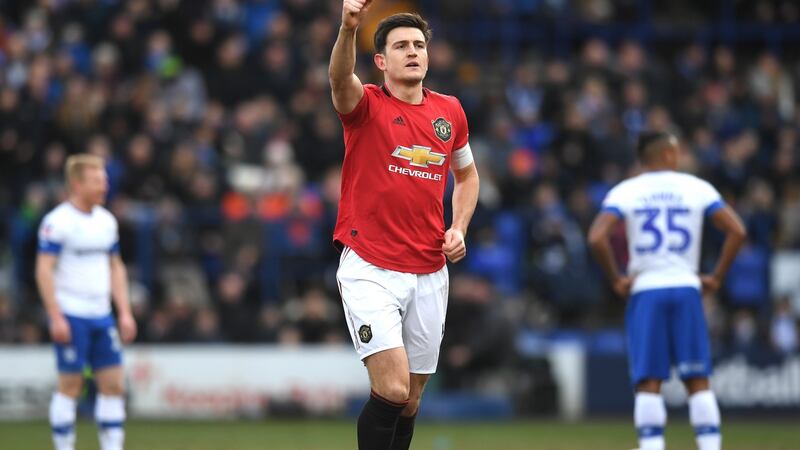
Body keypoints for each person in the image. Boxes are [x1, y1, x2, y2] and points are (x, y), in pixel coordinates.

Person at [328, 1, 480, 449]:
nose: (412, 52)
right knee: (392, 390)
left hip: (430, 270)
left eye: (418, 45)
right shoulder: (367, 105)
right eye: (401, 46)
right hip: (371, 267)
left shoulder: (449, 111)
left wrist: (460, 227)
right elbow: (339, 80)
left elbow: (467, 175)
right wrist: (347, 29)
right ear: (381, 61)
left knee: (410, 401)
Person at [588, 131, 746, 450]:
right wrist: (716, 276)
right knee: (697, 378)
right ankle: (710, 445)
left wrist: (617, 278)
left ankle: (652, 446)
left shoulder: (627, 191)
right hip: (687, 288)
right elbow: (737, 231)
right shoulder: (696, 187)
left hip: (647, 289)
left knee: (649, 380)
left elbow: (596, 238)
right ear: (670, 155)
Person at [36, 154, 137, 450]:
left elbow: (115, 266)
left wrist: (125, 312)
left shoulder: (106, 221)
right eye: (97, 180)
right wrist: (55, 316)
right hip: (72, 313)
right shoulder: (58, 222)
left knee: (113, 384)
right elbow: (44, 269)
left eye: (104, 180)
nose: (104, 186)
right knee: (71, 386)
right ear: (77, 184)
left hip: (101, 315)